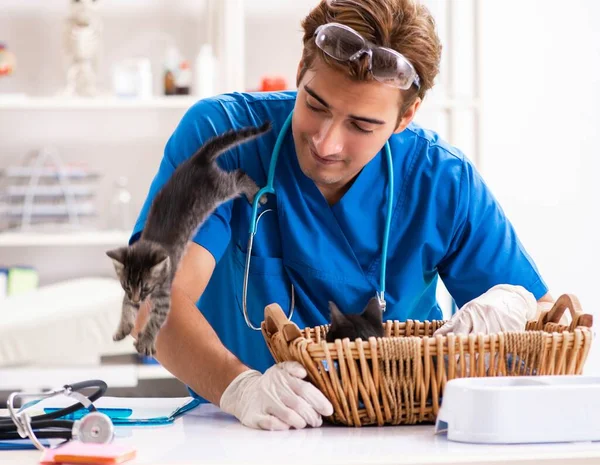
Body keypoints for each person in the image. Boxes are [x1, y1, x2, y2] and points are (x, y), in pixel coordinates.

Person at [129, 0, 554, 430]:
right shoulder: (223, 137)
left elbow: (547, 317)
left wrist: (514, 305)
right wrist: (240, 388)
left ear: (405, 117)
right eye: (315, 105)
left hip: (403, 437)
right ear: (300, 72)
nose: (326, 143)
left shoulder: (440, 180)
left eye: (362, 126)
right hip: (245, 434)